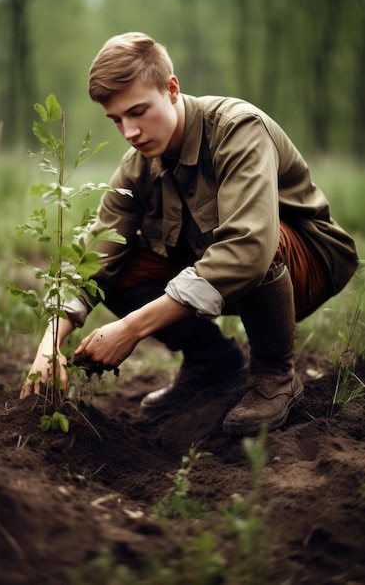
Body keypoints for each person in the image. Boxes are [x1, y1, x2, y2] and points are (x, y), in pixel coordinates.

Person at [20, 32, 358, 435]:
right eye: (117, 120)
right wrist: (48, 346)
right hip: (219, 270)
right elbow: (94, 258)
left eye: (139, 111)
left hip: (307, 263)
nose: (129, 131)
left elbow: (249, 249)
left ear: (172, 89)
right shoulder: (137, 166)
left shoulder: (237, 129)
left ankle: (275, 375)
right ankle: (212, 363)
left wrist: (130, 329)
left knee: (254, 241)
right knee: (120, 263)